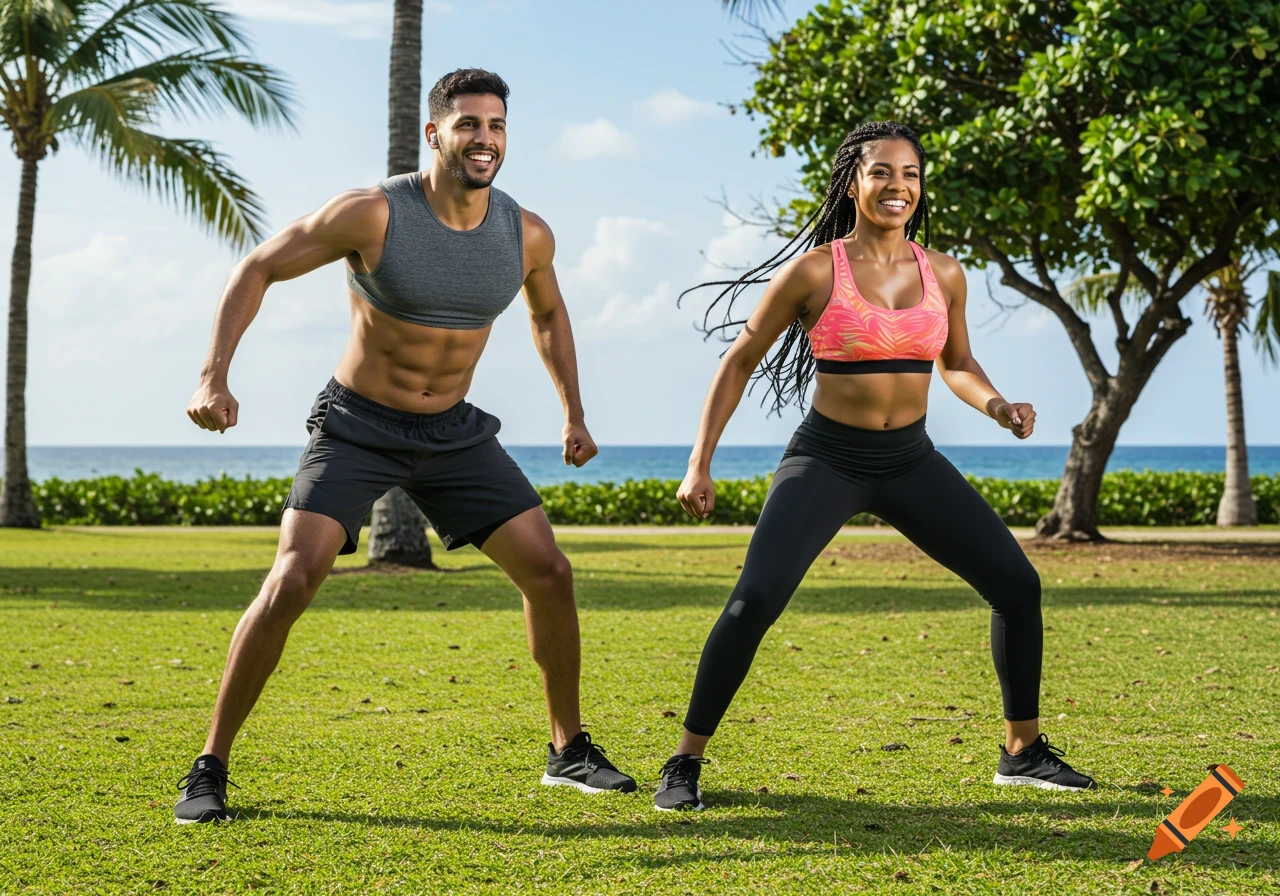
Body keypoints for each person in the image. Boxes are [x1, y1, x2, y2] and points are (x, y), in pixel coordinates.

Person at [176, 68, 636, 824]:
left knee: (550, 573)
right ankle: (210, 766)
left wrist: (573, 413)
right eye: (468, 125)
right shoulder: (373, 213)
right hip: (358, 425)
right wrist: (211, 377)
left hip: (453, 434)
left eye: (496, 126)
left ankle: (568, 751)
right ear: (435, 133)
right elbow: (258, 266)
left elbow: (549, 316)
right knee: (294, 578)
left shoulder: (525, 232)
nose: (484, 139)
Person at [653, 121, 1095, 812]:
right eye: (882, 172)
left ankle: (1022, 751)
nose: (898, 186)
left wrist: (999, 406)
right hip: (828, 457)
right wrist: (698, 462)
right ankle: (684, 761)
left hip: (910, 459)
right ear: (853, 183)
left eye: (910, 174)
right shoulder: (815, 271)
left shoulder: (943, 272)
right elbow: (738, 361)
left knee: (1016, 583)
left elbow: (955, 364)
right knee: (755, 599)